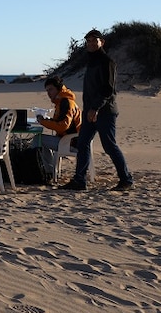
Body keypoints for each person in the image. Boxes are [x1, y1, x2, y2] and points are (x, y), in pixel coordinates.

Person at [61, 29, 134, 191]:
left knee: (109, 145)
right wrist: (88, 109)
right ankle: (79, 180)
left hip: (105, 111)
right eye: (88, 41)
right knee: (83, 142)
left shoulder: (107, 62)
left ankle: (126, 179)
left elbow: (108, 89)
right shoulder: (91, 61)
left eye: (95, 41)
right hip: (90, 111)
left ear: (102, 42)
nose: (91, 44)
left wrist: (95, 108)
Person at [34, 75, 82, 180]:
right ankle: (48, 170)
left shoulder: (66, 102)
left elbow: (63, 126)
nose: (48, 93)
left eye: (51, 89)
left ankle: (46, 172)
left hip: (71, 142)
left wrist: (43, 122)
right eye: (47, 91)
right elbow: (59, 122)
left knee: (38, 139)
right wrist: (46, 121)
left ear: (59, 88)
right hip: (69, 139)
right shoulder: (62, 102)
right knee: (40, 139)